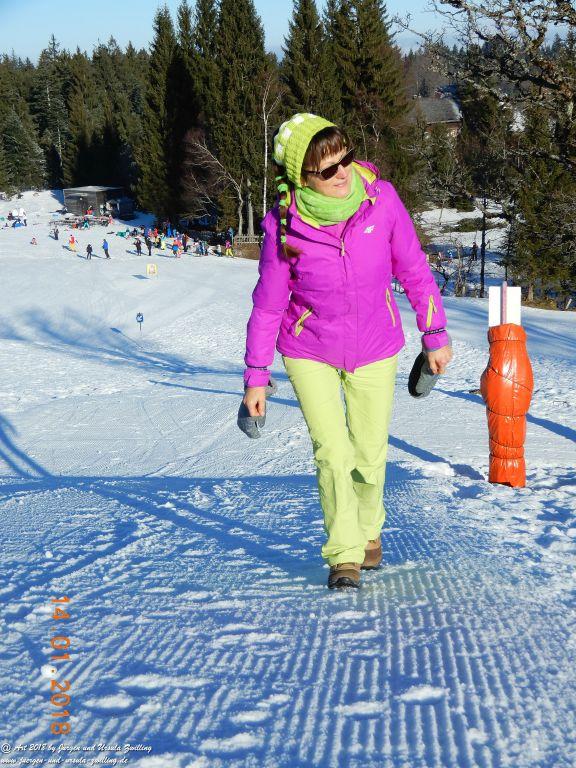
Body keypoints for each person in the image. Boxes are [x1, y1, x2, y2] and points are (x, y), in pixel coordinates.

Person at [242, 113, 453, 590]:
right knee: (333, 452)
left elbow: (414, 269)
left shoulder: (381, 201)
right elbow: (268, 305)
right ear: (302, 177)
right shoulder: (286, 226)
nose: (343, 174)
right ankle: (344, 553)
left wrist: (435, 333)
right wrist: (256, 375)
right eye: (328, 169)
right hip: (308, 348)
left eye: (346, 159)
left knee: (369, 452)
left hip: (377, 344)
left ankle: (369, 528)